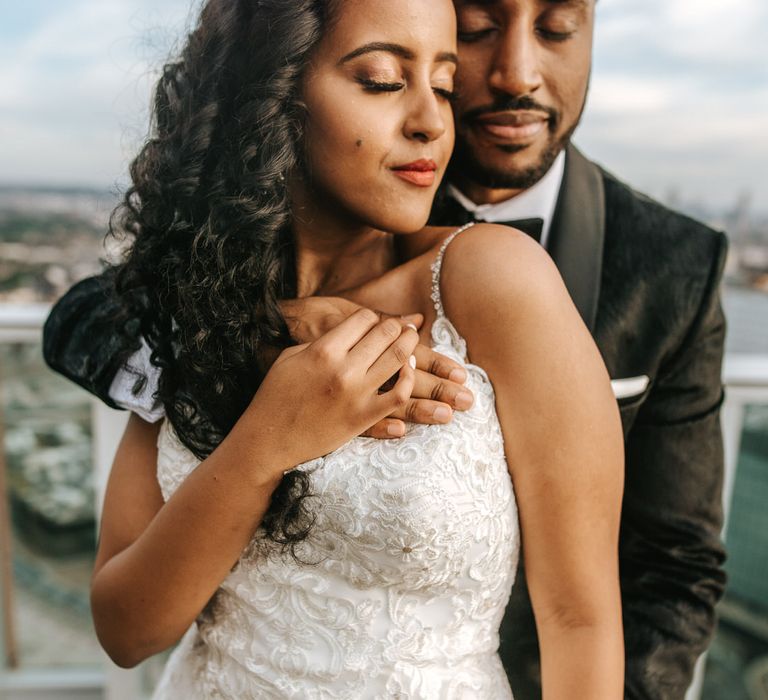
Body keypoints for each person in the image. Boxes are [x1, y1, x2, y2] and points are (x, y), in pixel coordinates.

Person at [42, 0, 727, 698]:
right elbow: (126, 633)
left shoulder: (494, 279)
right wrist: (269, 431)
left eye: (445, 85)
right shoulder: (193, 300)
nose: (435, 120)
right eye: (380, 79)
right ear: (271, 93)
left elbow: (581, 617)